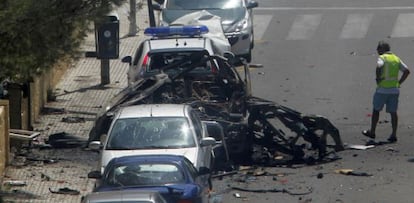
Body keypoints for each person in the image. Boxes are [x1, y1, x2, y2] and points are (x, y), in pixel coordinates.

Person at [362, 40, 410, 143]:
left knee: (376, 110)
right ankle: (393, 134)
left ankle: (372, 132)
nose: (377, 50)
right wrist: (399, 83)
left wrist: (378, 78)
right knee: (393, 112)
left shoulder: (382, 57)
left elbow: (379, 65)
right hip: (394, 91)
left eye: (378, 48)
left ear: (383, 49)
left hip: (382, 90)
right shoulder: (396, 58)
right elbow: (407, 71)